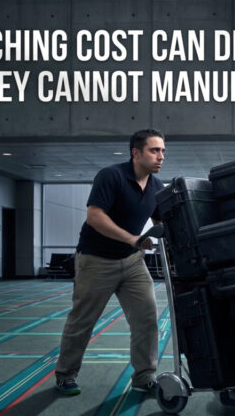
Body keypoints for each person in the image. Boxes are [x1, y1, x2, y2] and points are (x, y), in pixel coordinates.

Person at [54, 129, 166, 396]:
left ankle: (144, 376)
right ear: (135, 153)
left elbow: (162, 221)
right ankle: (65, 374)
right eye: (155, 150)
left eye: (163, 151)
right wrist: (133, 238)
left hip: (132, 262)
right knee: (82, 321)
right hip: (96, 260)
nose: (161, 156)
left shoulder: (156, 186)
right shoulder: (111, 176)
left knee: (146, 318)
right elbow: (95, 216)